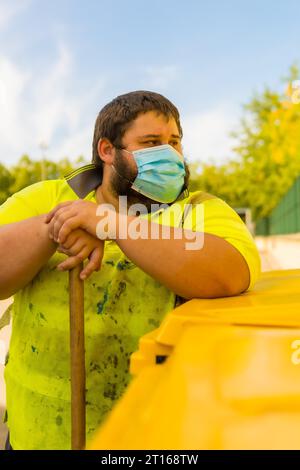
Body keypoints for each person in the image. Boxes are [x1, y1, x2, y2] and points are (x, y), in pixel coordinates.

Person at [0, 90, 261, 450]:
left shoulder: (199, 211)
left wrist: (112, 224)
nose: (169, 155)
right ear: (107, 150)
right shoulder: (46, 198)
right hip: (38, 438)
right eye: (151, 142)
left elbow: (231, 273)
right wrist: (55, 226)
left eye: (175, 142)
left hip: (156, 438)